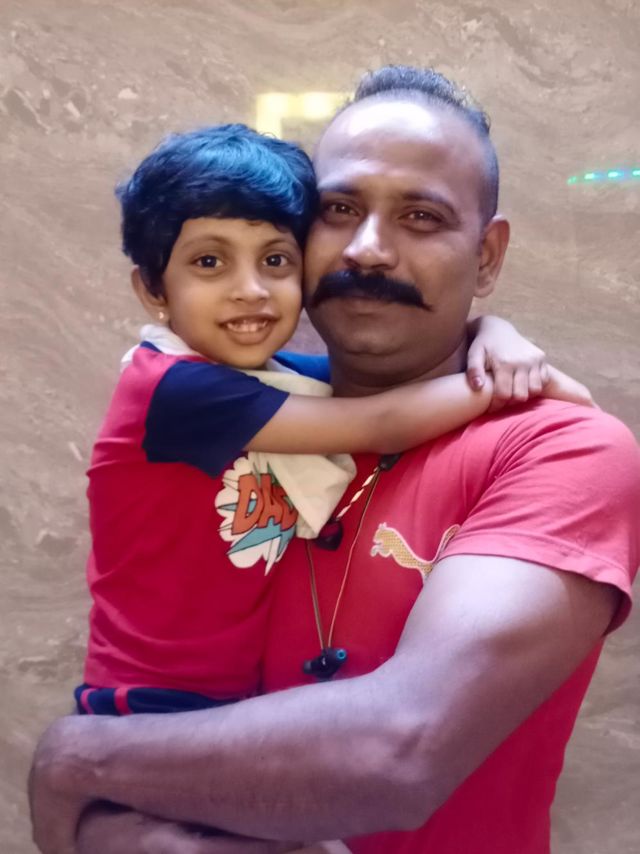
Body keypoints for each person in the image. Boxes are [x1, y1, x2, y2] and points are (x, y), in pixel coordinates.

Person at [30, 65, 640, 854]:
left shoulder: (560, 448)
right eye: (339, 210)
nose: (369, 249)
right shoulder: (252, 409)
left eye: (421, 217)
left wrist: (78, 759)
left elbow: (399, 752)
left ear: (486, 257)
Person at [76, 123, 568, 717]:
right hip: (147, 702)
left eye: (276, 260)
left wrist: (493, 330)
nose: (250, 290)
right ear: (154, 290)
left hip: (229, 701)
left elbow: (392, 387)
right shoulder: (174, 389)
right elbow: (383, 420)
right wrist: (522, 385)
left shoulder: (271, 380)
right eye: (209, 262)